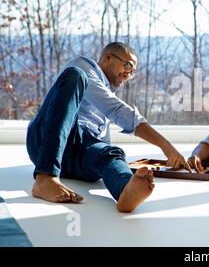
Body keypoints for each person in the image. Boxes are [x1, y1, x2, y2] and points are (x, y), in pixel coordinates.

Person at [26, 42, 192, 213]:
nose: (128, 73)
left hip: (77, 157)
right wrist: (166, 146)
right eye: (127, 65)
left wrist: (115, 164)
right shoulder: (83, 67)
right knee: (75, 75)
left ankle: (126, 191)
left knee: (111, 153)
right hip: (44, 141)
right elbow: (117, 110)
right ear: (107, 57)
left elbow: (102, 142)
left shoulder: (106, 100)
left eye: (132, 71)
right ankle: (45, 177)